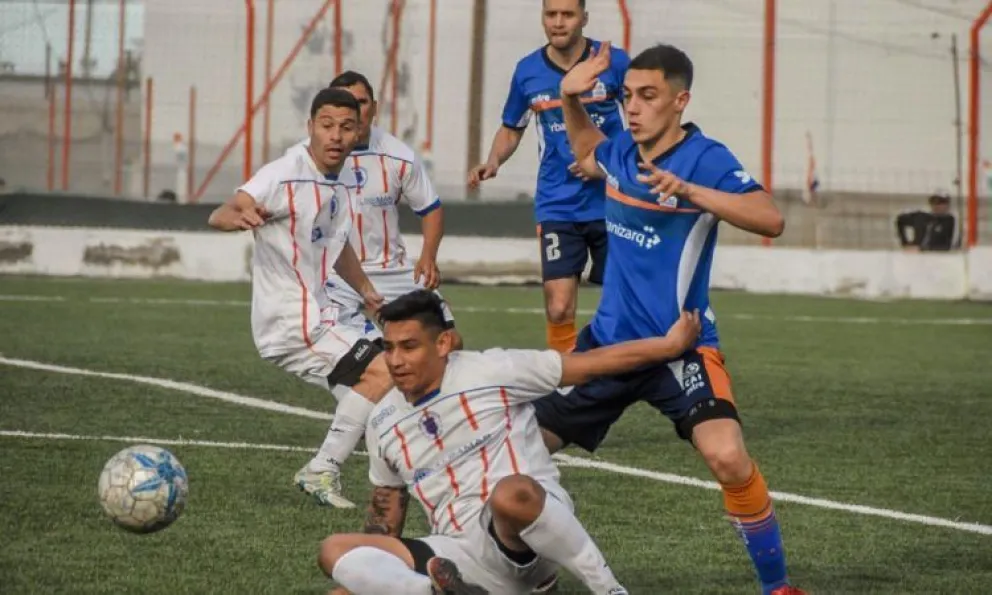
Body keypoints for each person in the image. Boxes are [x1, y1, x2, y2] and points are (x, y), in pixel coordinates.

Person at [531, 42, 806, 595]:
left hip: (682, 347)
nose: (633, 107)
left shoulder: (703, 157)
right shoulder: (623, 155)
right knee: (519, 456)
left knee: (728, 456)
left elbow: (770, 218)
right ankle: (520, 573)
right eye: (628, 95)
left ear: (679, 100)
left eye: (648, 96)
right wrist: (568, 98)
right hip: (608, 348)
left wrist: (693, 192)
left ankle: (778, 589)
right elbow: (588, 155)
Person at [316, 290, 703, 595]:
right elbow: (386, 513)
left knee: (511, 492)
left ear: (443, 343)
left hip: (529, 531)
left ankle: (609, 589)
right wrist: (369, 578)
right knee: (335, 551)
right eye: (389, 348)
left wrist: (667, 348)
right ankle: (437, 592)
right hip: (457, 555)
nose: (395, 360)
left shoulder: (493, 369)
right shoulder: (382, 420)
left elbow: (590, 365)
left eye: (409, 346)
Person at [207, 88, 393, 509]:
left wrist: (366, 291)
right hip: (293, 321)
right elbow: (223, 210)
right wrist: (237, 217)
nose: (336, 136)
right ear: (310, 127)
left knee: (387, 394)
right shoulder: (283, 173)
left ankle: (393, 478)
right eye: (326, 125)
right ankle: (322, 469)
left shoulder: (345, 177)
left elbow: (334, 241)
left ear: (359, 130)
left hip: (327, 312)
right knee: (386, 371)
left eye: (346, 127)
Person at [467, 0, 630, 354]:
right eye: (551, 14)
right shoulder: (527, 71)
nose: (558, 22)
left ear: (584, 18)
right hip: (558, 204)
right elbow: (512, 128)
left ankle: (617, 368)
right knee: (558, 308)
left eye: (567, 14)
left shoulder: (613, 63)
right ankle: (566, 379)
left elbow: (641, 123)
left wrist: (607, 161)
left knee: (622, 303)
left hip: (613, 202)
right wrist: (493, 160)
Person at [319, 71, 462, 348]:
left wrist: (428, 257)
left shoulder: (398, 155)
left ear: (373, 107)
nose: (354, 111)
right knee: (364, 352)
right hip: (335, 276)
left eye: (360, 102)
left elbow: (430, 208)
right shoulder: (312, 157)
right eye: (345, 104)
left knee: (449, 342)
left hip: (391, 271)